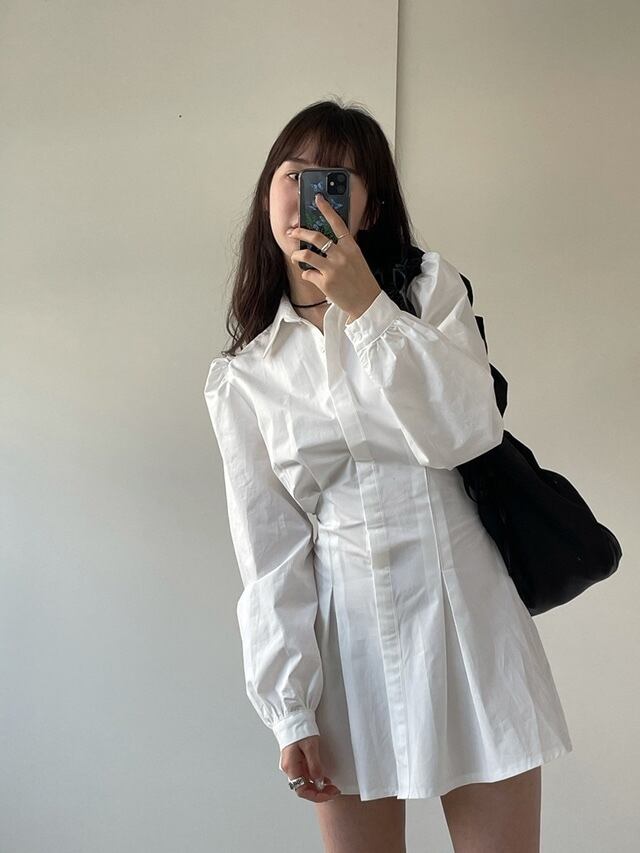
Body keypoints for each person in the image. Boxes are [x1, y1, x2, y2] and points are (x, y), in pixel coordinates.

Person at [203, 98, 573, 853]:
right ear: (268, 194)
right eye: (293, 174)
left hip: (469, 626)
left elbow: (467, 428)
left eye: (335, 181)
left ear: (369, 210)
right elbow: (270, 554)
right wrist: (290, 708)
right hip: (350, 655)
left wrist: (367, 307)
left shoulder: (428, 292)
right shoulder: (245, 376)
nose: (309, 193)